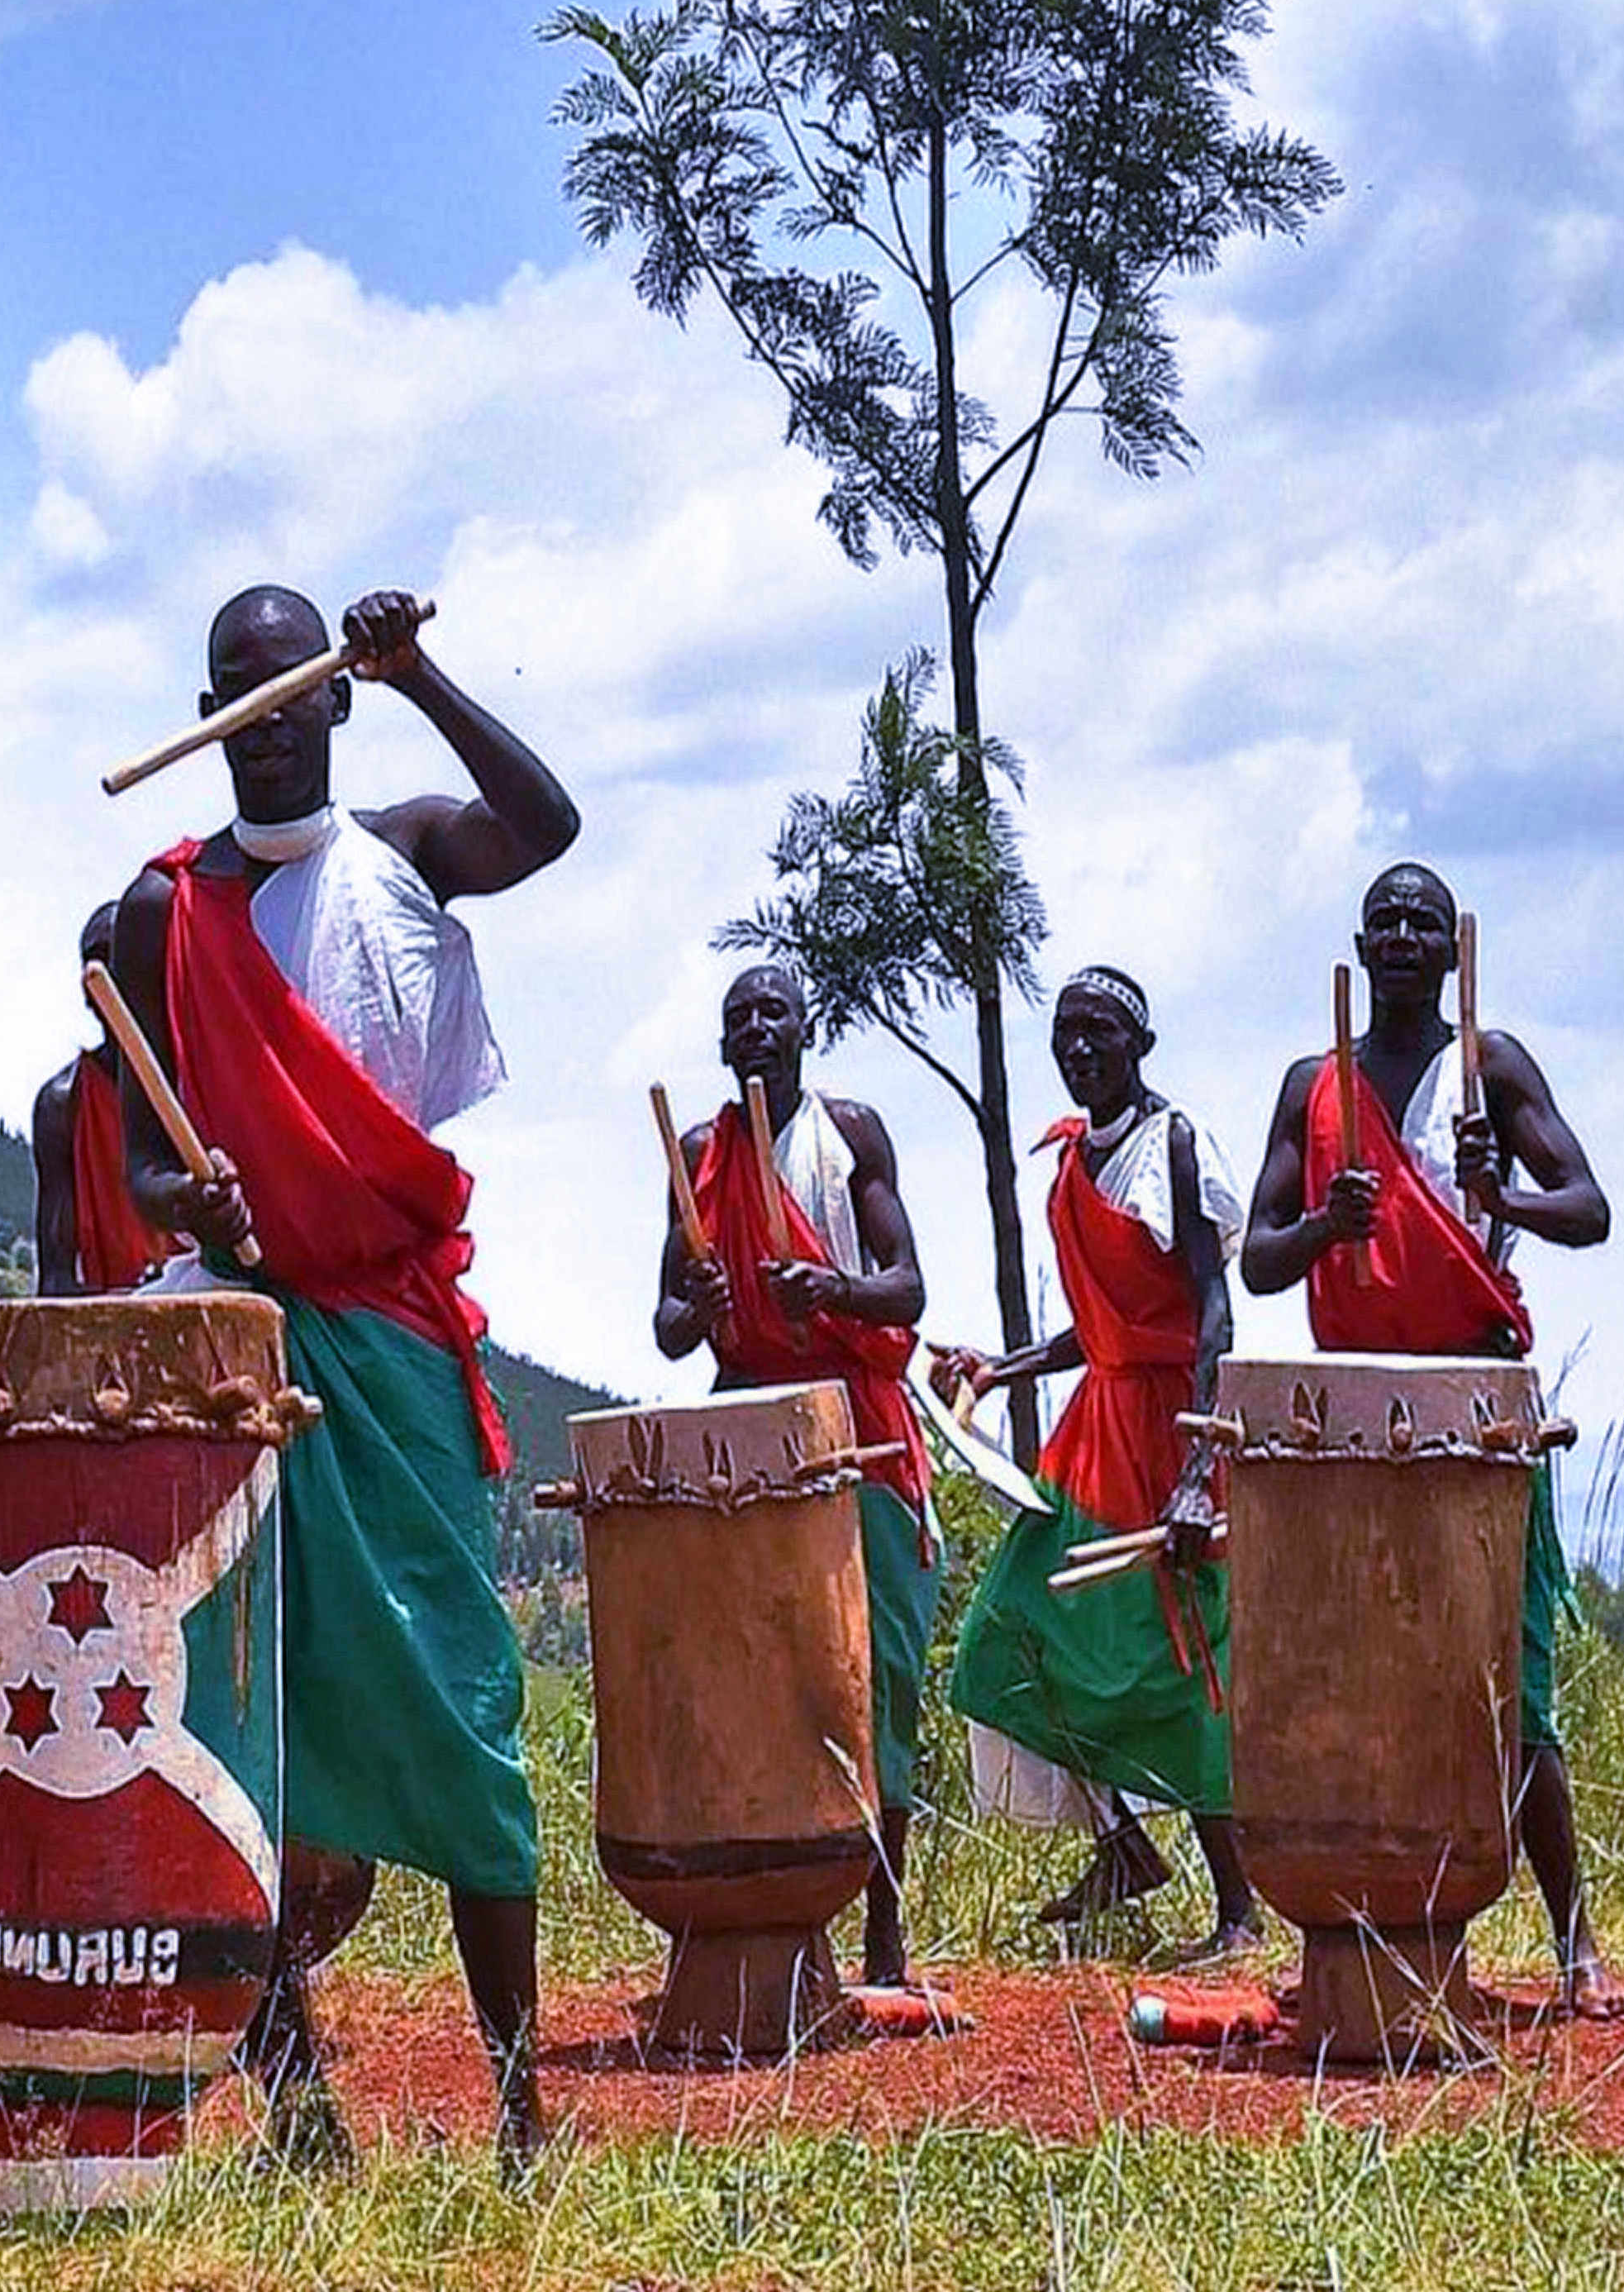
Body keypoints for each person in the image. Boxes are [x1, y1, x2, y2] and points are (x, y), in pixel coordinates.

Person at [83, 584, 578, 2170]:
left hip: (398, 1342)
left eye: (291, 685)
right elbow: (154, 1169)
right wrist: (194, 1207)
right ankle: (300, 2113)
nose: (262, 712)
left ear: (332, 704)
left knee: (460, 1703)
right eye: (234, 685)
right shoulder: (165, 913)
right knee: (239, 1719)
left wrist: (419, 668)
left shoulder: (413, 853)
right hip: (246, 1347)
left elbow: (549, 823)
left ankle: (520, 2107)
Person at [1238, 863, 1624, 2013]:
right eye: (1385, 921)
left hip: (1474, 1404)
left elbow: (1592, 1210)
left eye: (1424, 922)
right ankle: (1357, 1928)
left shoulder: (1486, 1068)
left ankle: (1574, 1941)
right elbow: (1258, 1258)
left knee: (1506, 1679)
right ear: (1359, 947)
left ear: (1452, 956)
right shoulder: (1315, 1083)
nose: (1403, 935)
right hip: (1350, 1414)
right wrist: (1326, 1223)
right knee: (1353, 1676)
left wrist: (1498, 1196)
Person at [943, 970, 1260, 1964]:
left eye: (1100, 1033)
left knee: (1184, 1659)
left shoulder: (1176, 1149)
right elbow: (1097, 1331)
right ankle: (1122, 1845)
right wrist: (1001, 1369)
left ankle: (1241, 1908)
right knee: (1008, 1638)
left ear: (1141, 1043)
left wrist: (1200, 1467)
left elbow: (1214, 1312)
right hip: (1092, 1433)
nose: (1079, 1051)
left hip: (1172, 1431)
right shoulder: (1073, 1162)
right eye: (1066, 1034)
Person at [645, 963, 933, 1988]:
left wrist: (832, 1289)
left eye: (775, 1014)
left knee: (877, 1682)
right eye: (739, 1020)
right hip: (749, 1432)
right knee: (757, 1684)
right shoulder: (696, 1158)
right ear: (724, 1048)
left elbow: (907, 1291)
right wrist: (703, 1297)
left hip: (860, 1426)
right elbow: (671, 1328)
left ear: (806, 1031)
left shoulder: (849, 1133)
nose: (757, 1030)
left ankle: (885, 1934)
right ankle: (769, 1924)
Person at [31, 959, 173, 1298]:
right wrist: (138, 1303)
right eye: (102, 963)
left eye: (126, 958)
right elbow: (55, 1283)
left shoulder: (201, 1083)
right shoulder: (63, 1104)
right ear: (89, 994)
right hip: (112, 1333)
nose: (116, 978)